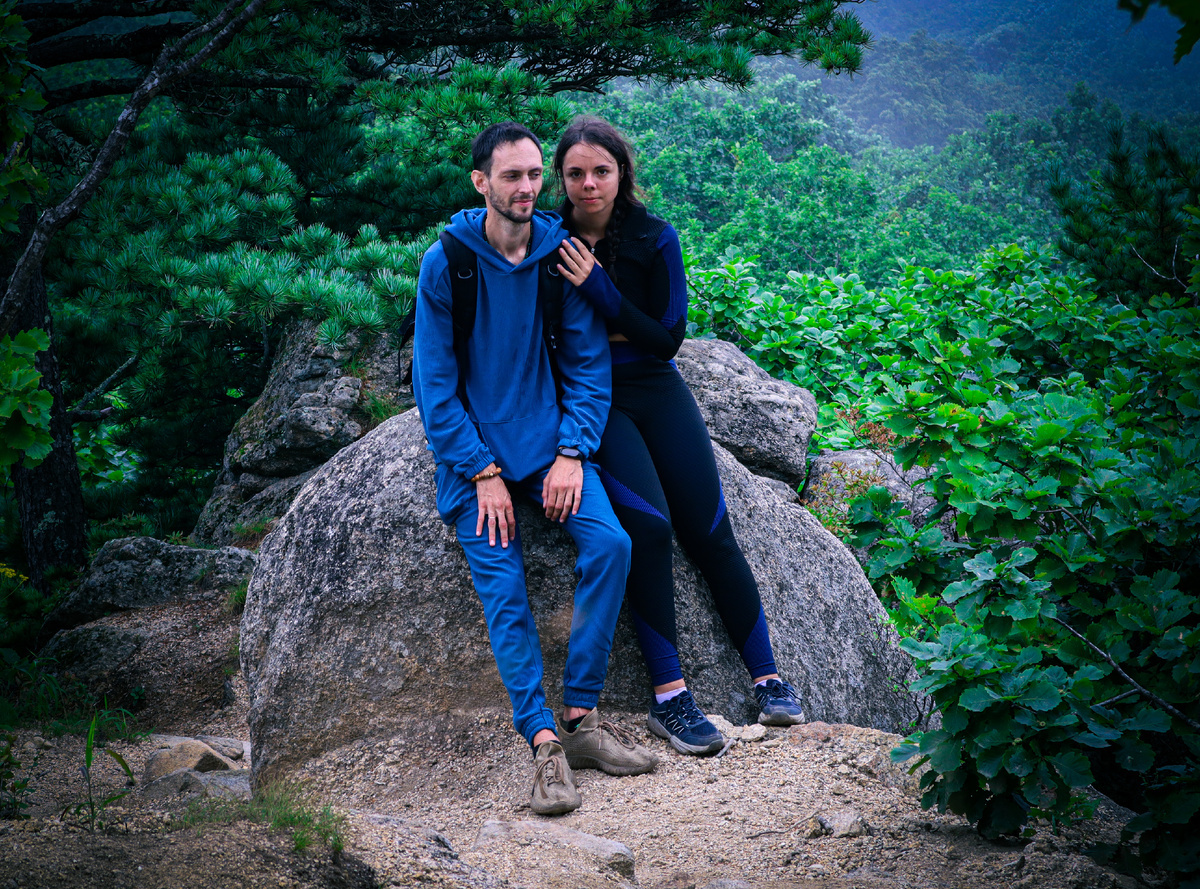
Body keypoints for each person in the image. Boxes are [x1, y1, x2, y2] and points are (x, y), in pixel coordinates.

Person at [412, 121, 657, 815]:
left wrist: (573, 450)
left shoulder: (561, 256)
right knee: (504, 583)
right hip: (477, 460)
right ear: (481, 182)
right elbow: (433, 383)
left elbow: (587, 365)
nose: (527, 188)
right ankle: (543, 742)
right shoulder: (448, 261)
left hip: (550, 447)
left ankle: (580, 719)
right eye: (510, 176)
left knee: (611, 543)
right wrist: (480, 469)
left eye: (532, 175)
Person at [552, 116, 806, 756]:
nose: (589, 184)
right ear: (561, 177)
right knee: (651, 527)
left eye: (601, 172)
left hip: (658, 389)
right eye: (576, 173)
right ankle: (671, 698)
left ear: (622, 173)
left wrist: (600, 291)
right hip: (594, 397)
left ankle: (770, 681)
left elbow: (666, 337)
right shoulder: (546, 240)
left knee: (710, 526)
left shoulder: (654, 238)